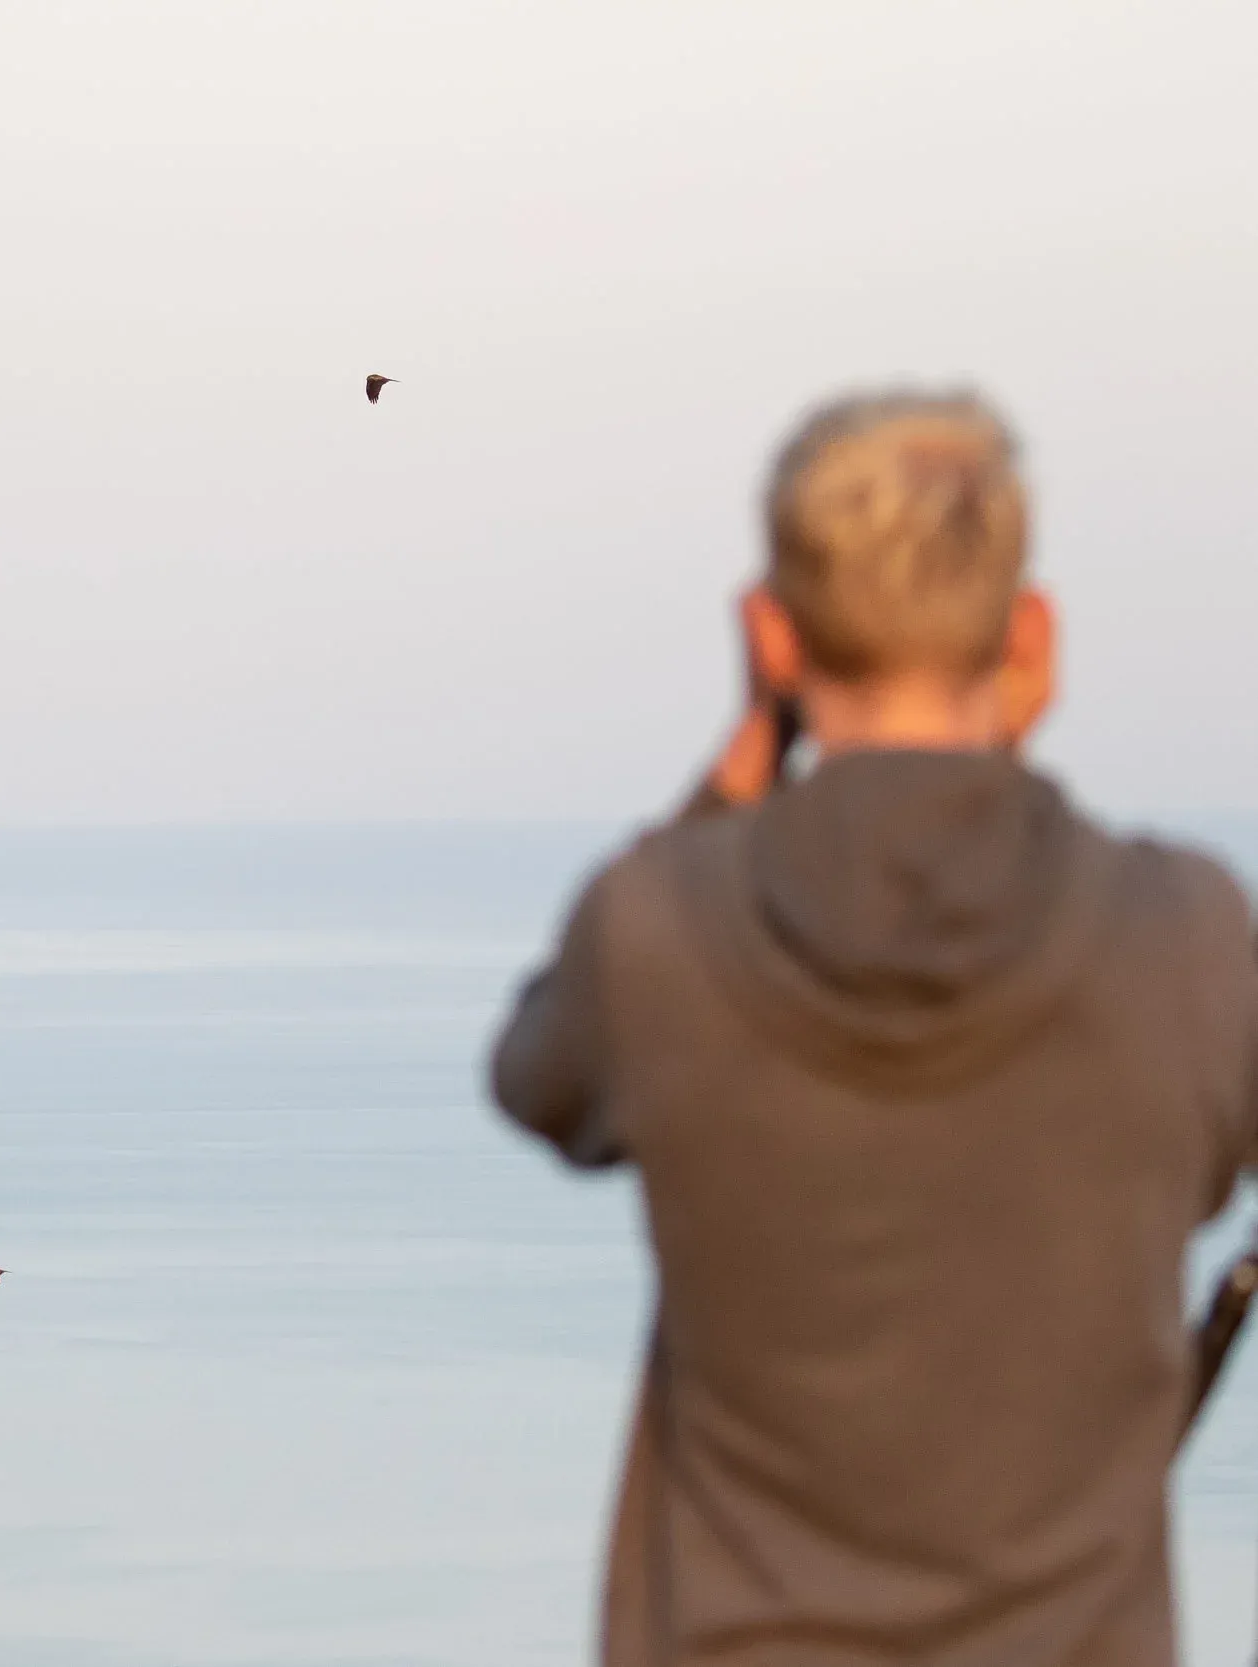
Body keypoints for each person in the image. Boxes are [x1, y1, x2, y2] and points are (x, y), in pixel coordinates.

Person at [489, 391, 1258, 1666]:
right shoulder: (1186, 939)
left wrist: (742, 763)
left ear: (769, 634)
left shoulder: (656, 934)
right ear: (1031, 637)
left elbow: (538, 1076)